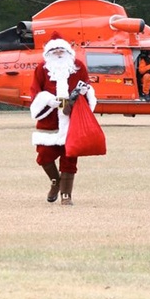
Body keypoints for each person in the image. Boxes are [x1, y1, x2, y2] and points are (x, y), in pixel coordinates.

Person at [29, 34, 97, 205]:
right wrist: (48, 100)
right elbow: (35, 91)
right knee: (44, 155)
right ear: (48, 53)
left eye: (61, 50)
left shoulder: (78, 66)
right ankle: (55, 181)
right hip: (49, 118)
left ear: (68, 51)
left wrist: (83, 93)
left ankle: (66, 195)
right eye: (54, 51)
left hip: (72, 118)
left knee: (70, 157)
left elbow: (87, 86)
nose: (58, 53)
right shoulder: (42, 68)